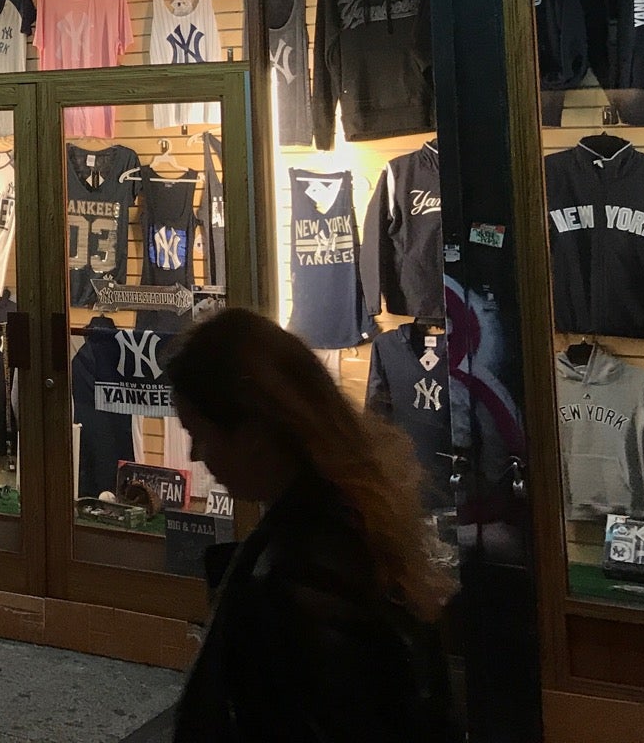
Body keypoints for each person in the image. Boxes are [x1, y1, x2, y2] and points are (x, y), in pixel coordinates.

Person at [166, 308, 456, 742]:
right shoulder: (356, 520)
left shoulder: (297, 583)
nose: (194, 455)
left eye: (200, 433)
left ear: (253, 433)